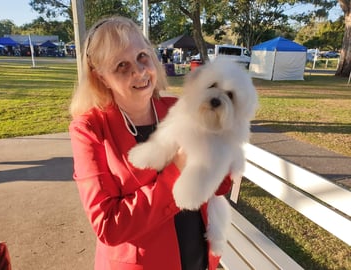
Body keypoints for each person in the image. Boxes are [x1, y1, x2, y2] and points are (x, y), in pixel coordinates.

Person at [69, 16, 232, 270]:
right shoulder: (89, 129)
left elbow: (220, 185)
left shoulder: (177, 108)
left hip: (197, 255)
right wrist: (176, 171)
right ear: (100, 76)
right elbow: (108, 226)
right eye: (121, 65)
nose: (139, 71)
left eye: (142, 56)